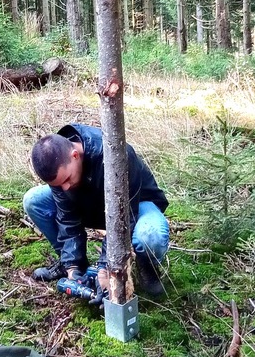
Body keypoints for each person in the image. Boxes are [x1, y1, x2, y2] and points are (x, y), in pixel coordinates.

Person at [23, 124, 170, 301]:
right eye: (59, 185)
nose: (65, 188)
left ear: (75, 155)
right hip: (95, 205)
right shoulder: (60, 167)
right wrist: (73, 267)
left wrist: (105, 267)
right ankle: (70, 263)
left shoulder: (116, 154)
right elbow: (67, 218)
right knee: (34, 200)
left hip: (137, 204)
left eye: (67, 179)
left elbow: (124, 218)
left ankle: (147, 267)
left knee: (150, 235)